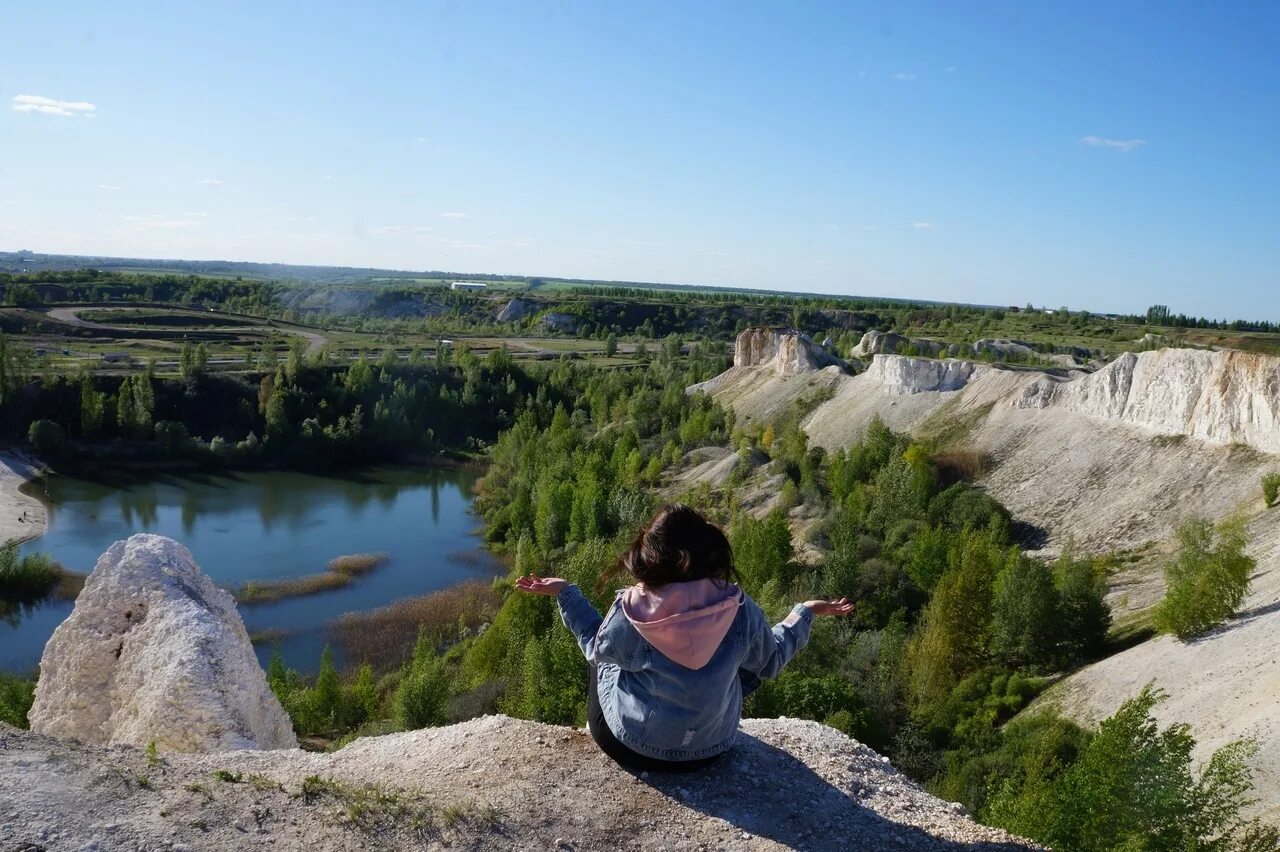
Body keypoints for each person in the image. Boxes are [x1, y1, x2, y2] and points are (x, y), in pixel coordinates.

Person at [516, 503, 852, 773]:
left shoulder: (634, 609)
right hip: (712, 749)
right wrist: (805, 612)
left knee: (601, 659)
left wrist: (567, 593)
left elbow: (594, 647)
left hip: (633, 747)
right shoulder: (738, 607)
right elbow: (772, 661)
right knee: (742, 659)